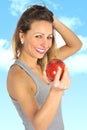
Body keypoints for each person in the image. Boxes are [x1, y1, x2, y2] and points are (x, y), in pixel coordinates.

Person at [7, 4, 82, 130]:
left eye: (49, 37)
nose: (45, 44)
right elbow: (39, 125)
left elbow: (76, 45)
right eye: (38, 36)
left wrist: (53, 20)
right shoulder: (18, 75)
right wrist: (56, 91)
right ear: (22, 36)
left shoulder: (45, 63)